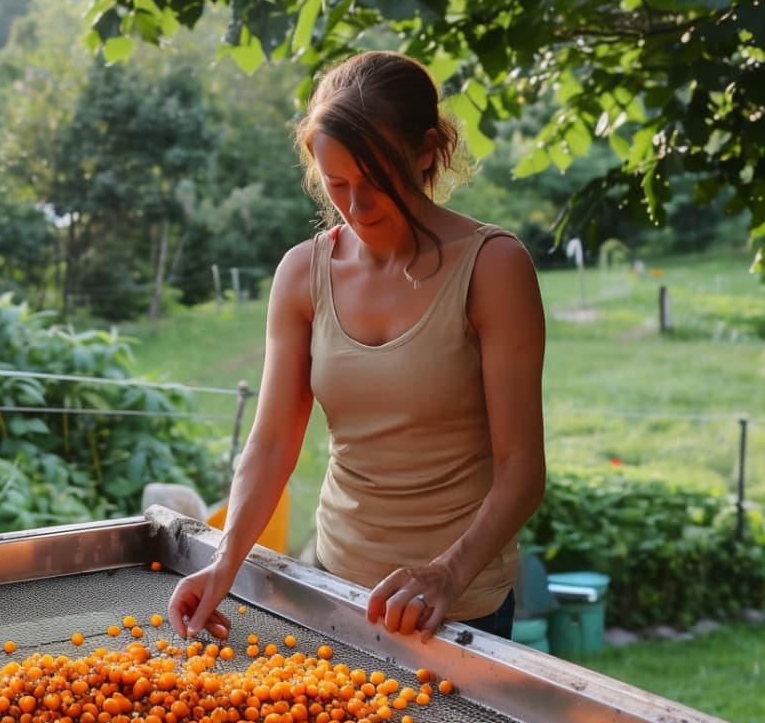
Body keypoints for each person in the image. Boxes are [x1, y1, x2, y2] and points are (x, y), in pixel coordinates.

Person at [168, 49, 546, 644]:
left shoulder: (494, 268)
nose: (356, 206)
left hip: (457, 604)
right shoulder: (303, 273)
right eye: (337, 183)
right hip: (333, 586)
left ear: (426, 151)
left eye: (377, 181)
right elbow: (270, 443)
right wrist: (225, 559)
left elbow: (523, 470)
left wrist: (447, 574)